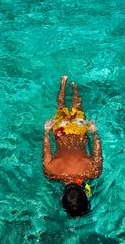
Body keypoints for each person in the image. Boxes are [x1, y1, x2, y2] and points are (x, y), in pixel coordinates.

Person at [43, 76, 103, 217]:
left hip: (79, 132)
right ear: (61, 197)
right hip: (60, 132)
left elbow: (97, 149)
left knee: (77, 107)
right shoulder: (50, 173)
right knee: (61, 107)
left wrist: (94, 132)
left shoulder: (93, 172)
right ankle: (63, 83)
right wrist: (46, 131)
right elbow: (46, 149)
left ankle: (73, 86)